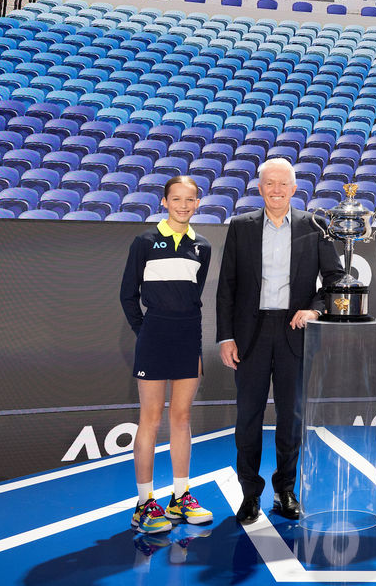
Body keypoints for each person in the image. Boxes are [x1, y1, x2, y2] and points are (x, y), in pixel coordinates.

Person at [216, 158, 342, 524]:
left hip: (295, 333)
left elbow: (334, 279)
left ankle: (285, 490)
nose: (276, 190)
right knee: (248, 418)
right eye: (269, 183)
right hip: (249, 337)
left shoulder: (314, 226)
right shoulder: (241, 226)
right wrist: (226, 337)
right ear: (260, 188)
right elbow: (227, 287)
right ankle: (249, 493)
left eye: (282, 184)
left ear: (294, 188)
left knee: (291, 418)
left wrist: (315, 310)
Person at [121, 175, 214, 534]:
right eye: (176, 199)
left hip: (188, 337)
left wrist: (190, 338)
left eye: (190, 200)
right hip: (154, 337)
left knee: (182, 417)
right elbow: (128, 294)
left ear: (198, 203)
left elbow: (193, 297)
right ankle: (144, 504)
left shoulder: (202, 246)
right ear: (164, 202)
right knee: (150, 419)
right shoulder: (144, 242)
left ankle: (180, 496)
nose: (183, 206)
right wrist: (145, 331)